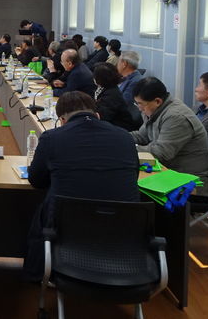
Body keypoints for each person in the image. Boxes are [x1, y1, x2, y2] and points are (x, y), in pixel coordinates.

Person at [23, 92, 139, 281]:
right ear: (97, 115)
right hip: (120, 235)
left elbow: (36, 181)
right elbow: (133, 177)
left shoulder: (51, 138)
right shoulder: (125, 138)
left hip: (67, 232)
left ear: (61, 120)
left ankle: (36, 274)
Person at [131, 77, 208, 193]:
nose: (139, 109)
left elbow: (161, 153)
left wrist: (127, 149)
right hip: (168, 169)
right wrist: (118, 138)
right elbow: (141, 135)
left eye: (141, 104)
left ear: (157, 101)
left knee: (129, 185)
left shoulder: (176, 117)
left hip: (189, 179)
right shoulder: (154, 110)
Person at [93, 63, 139, 131]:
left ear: (100, 78)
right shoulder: (108, 88)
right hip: (112, 125)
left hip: (119, 128)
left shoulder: (111, 95)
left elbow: (102, 116)